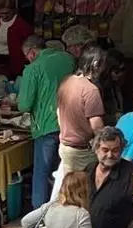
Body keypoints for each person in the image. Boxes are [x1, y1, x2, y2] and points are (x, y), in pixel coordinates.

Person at [19, 35, 76, 208]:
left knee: (41, 172)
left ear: (32, 52)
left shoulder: (33, 69)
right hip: (70, 123)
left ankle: (39, 213)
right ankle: (65, 207)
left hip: (46, 126)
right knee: (64, 170)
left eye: (27, 56)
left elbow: (24, 105)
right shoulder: (68, 59)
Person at [53, 46, 108, 196]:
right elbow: (97, 126)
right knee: (85, 193)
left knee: (70, 192)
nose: (104, 70)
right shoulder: (91, 90)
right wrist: (107, 143)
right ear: (95, 64)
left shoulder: (66, 82)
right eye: (103, 65)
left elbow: (58, 112)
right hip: (82, 151)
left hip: (65, 146)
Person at [0, 0, 33, 78]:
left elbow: (30, 46)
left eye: (7, 13)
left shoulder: (22, 25)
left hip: (12, 63)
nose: (4, 16)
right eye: (1, 13)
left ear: (14, 10)